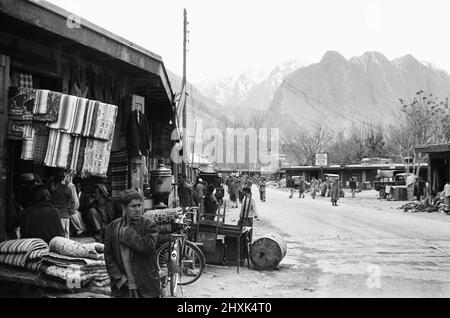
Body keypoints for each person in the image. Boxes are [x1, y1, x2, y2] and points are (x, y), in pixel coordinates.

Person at [104, 188, 161, 298]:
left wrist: (129, 233)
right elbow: (108, 256)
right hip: (123, 286)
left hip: (146, 285)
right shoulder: (113, 227)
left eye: (139, 205)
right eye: (133, 206)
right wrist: (119, 278)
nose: (138, 209)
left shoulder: (149, 224)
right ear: (124, 208)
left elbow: (148, 247)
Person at [49, 170, 79, 239]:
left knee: (62, 239)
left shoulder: (69, 186)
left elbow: (75, 202)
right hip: (53, 216)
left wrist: (70, 211)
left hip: (63, 216)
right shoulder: (51, 183)